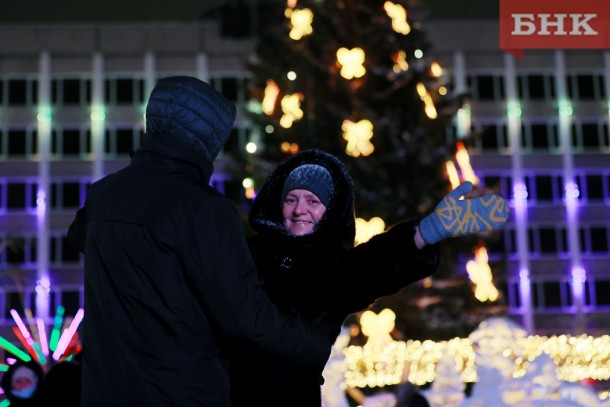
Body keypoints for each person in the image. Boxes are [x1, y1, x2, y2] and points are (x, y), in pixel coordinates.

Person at [66, 76, 339, 407]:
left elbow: (76, 238)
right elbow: (247, 318)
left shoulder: (103, 195)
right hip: (180, 394)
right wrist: (317, 342)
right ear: (208, 138)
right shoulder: (204, 210)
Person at [228, 149, 509, 406]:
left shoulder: (333, 269)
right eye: (291, 199)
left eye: (313, 201)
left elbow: (374, 264)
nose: (300, 209)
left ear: (329, 211)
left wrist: (429, 230)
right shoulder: (246, 252)